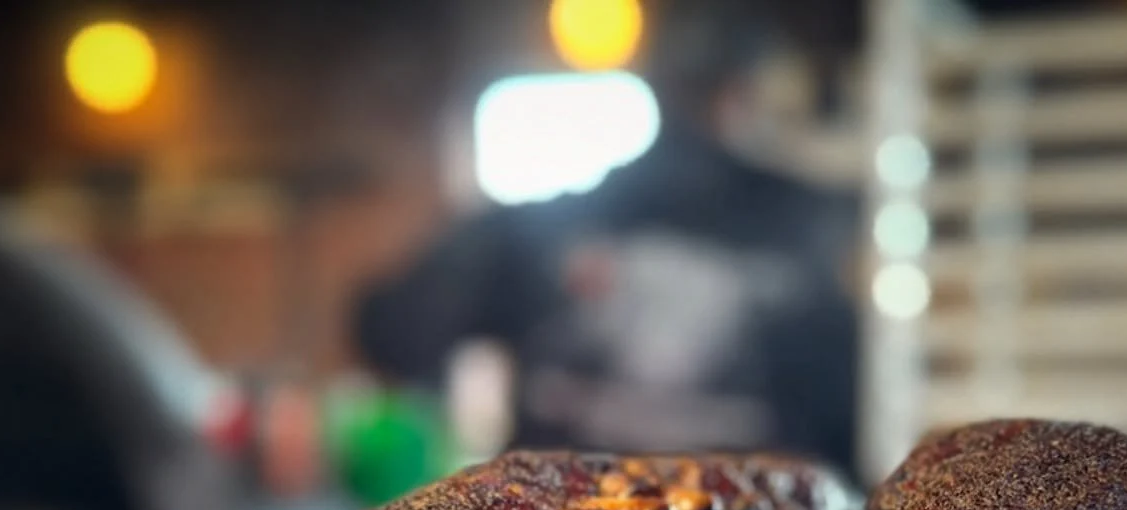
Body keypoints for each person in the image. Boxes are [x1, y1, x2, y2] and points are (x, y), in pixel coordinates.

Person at [357, 12, 858, 472]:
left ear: (654, 86)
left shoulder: (541, 228)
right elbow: (846, 435)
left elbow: (389, 332)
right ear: (746, 93)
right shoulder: (813, 233)